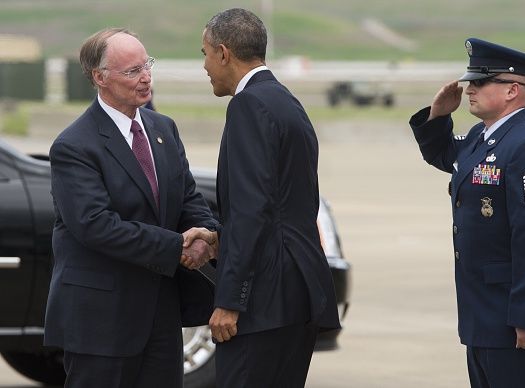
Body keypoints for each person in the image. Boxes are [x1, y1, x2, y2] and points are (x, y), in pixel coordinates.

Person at [44, 27, 219, 388]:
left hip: (160, 317)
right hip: (100, 322)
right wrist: (176, 247)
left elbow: (187, 197)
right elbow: (96, 225)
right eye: (132, 71)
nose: (145, 77)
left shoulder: (163, 129)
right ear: (100, 77)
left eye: (147, 65)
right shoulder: (74, 146)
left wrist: (205, 236)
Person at [409, 37, 525, 388]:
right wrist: (439, 114)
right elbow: (445, 156)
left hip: (516, 321)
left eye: (480, 81)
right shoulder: (481, 136)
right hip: (484, 315)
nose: (469, 88)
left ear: (512, 90)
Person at [197, 8, 341, 387]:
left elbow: (251, 210)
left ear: (224, 53)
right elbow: (288, 203)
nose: (205, 66)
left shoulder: (248, 106)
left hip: (264, 300)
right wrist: (221, 240)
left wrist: (230, 299)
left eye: (205, 54)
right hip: (297, 293)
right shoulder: (285, 102)